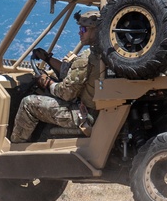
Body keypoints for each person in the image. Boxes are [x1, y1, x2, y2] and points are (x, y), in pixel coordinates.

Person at [10, 10, 102, 143]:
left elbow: (65, 93)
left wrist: (47, 82)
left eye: (83, 29)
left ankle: (15, 150)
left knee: (28, 103)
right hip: (96, 112)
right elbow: (70, 71)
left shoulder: (88, 57)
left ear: (96, 30)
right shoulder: (107, 55)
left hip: (83, 115)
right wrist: (47, 58)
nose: (79, 32)